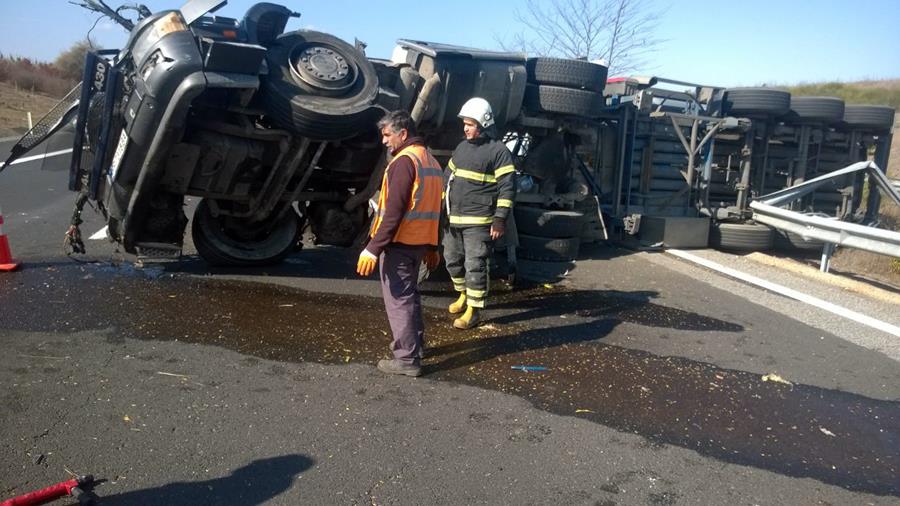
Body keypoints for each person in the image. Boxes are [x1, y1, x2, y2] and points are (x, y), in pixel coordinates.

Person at [357, 110, 442, 377]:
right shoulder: (431, 161)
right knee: (409, 295)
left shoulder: (404, 162)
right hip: (418, 243)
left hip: (400, 243)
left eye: (387, 135)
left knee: (398, 299)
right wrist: (432, 246)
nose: (384, 141)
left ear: (402, 134)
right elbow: (437, 208)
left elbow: (393, 212)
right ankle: (416, 346)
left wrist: (373, 248)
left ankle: (406, 359)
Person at [443, 97, 516, 329]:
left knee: (475, 265)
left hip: (480, 221)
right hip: (453, 218)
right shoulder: (462, 148)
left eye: (470, 124)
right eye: (464, 123)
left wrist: (499, 220)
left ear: (483, 124)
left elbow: (507, 188)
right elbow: (448, 177)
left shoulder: (499, 151)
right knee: (452, 260)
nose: (465, 128)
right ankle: (463, 295)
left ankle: (474, 312)